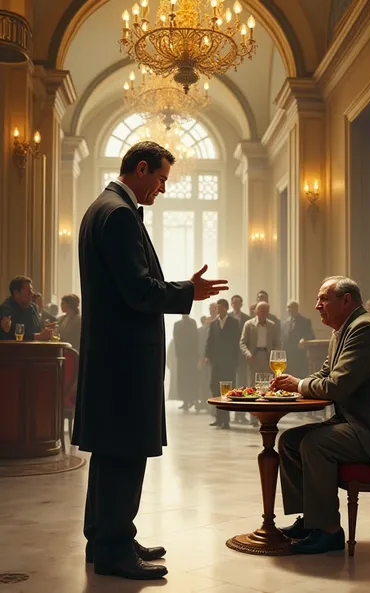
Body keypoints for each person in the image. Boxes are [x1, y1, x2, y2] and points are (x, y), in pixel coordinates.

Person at [72, 141, 228, 581]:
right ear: (140, 169)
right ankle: (115, 550)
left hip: (111, 355)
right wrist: (187, 292)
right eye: (160, 180)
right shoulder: (119, 214)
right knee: (124, 450)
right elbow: (139, 291)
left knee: (109, 452)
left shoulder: (101, 208)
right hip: (125, 360)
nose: (161, 190)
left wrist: (179, 287)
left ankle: (104, 535)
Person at [272, 276, 370, 555]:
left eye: (323, 299)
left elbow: (337, 386)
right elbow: (325, 374)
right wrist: (297, 383)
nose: (317, 305)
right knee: (290, 441)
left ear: (346, 300)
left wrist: (299, 385)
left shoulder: (364, 329)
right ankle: (311, 521)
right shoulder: (343, 329)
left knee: (315, 443)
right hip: (358, 422)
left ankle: (329, 531)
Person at [241, 301, 281, 426]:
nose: (263, 312)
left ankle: (267, 415)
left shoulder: (272, 325)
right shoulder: (249, 324)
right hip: (254, 356)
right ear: (256, 311)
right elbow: (242, 342)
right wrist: (247, 353)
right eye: (261, 310)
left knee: (269, 385)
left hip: (268, 357)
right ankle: (254, 416)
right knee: (254, 386)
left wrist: (276, 357)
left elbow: (277, 343)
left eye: (265, 310)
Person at [205, 298, 240, 429]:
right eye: (217, 308)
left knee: (227, 390)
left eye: (220, 308)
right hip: (216, 362)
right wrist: (207, 356)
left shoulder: (234, 323)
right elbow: (209, 341)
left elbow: (237, 342)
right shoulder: (213, 324)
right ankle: (218, 417)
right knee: (214, 388)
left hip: (229, 362)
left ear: (226, 308)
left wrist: (236, 360)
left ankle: (226, 419)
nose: (218, 310)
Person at [0, 276, 53, 341]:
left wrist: (46, 330)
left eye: (32, 290)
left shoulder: (33, 307)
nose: (32, 293)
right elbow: (10, 337)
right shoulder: (6, 310)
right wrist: (37, 337)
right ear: (17, 293)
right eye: (29, 290)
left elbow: (36, 330)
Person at [229, 294, 251, 423]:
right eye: (234, 302)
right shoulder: (228, 318)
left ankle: (241, 414)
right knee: (233, 385)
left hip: (242, 356)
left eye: (238, 302)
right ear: (231, 304)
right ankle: (233, 413)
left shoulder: (247, 319)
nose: (236, 304)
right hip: (231, 357)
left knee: (243, 384)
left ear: (241, 304)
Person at [281, 300, 315, 378]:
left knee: (299, 377)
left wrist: (304, 339)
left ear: (296, 308)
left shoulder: (305, 321)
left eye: (292, 307)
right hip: (288, 357)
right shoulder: (284, 323)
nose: (290, 309)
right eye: (288, 307)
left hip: (299, 356)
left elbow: (311, 336)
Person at [173, 314, 198, 411]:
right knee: (182, 379)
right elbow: (176, 339)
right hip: (182, 357)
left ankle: (192, 399)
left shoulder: (192, 323)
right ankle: (185, 401)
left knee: (191, 378)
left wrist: (196, 354)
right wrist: (178, 354)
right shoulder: (177, 324)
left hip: (191, 356)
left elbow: (195, 338)